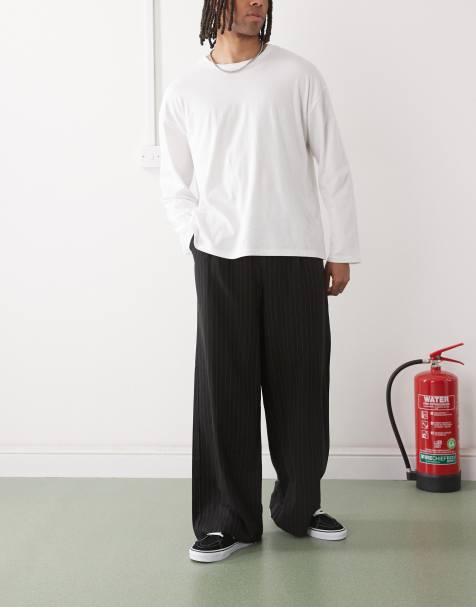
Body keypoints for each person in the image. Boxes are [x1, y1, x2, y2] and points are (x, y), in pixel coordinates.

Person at [158, 0, 361, 563]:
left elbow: (333, 164)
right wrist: (192, 236)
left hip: (296, 253)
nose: (258, 3)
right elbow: (174, 180)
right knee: (223, 389)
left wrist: (341, 249)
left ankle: (300, 507)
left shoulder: (298, 75)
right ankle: (226, 519)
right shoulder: (186, 90)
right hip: (220, 254)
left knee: (301, 385)